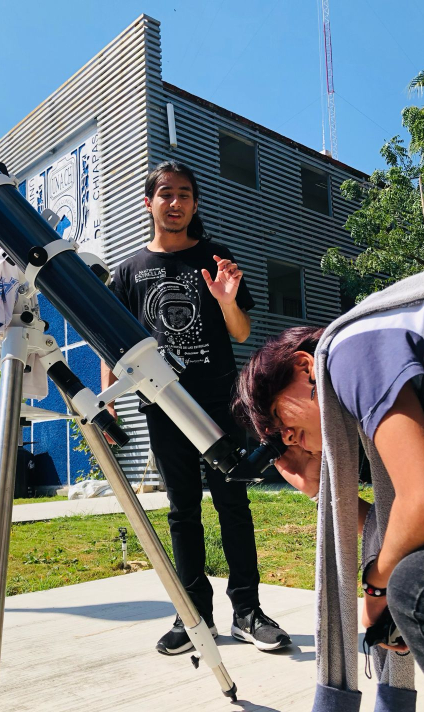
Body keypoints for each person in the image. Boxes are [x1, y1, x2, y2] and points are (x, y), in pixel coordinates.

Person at [232, 261, 424, 712]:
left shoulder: (348, 345)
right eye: (278, 438)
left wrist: (376, 587)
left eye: (279, 419)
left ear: (304, 367)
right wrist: (325, 493)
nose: (288, 438)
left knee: (422, 592)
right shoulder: (400, 353)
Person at [101, 161, 291, 656]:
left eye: (185, 194)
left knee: (233, 503)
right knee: (182, 510)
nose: (175, 202)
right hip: (162, 405)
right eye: (165, 194)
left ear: (195, 203)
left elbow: (243, 333)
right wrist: (111, 406)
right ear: (149, 202)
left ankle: (247, 612)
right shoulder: (129, 271)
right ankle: (195, 616)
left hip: (219, 401)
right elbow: (111, 344)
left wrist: (227, 300)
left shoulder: (214, 256)